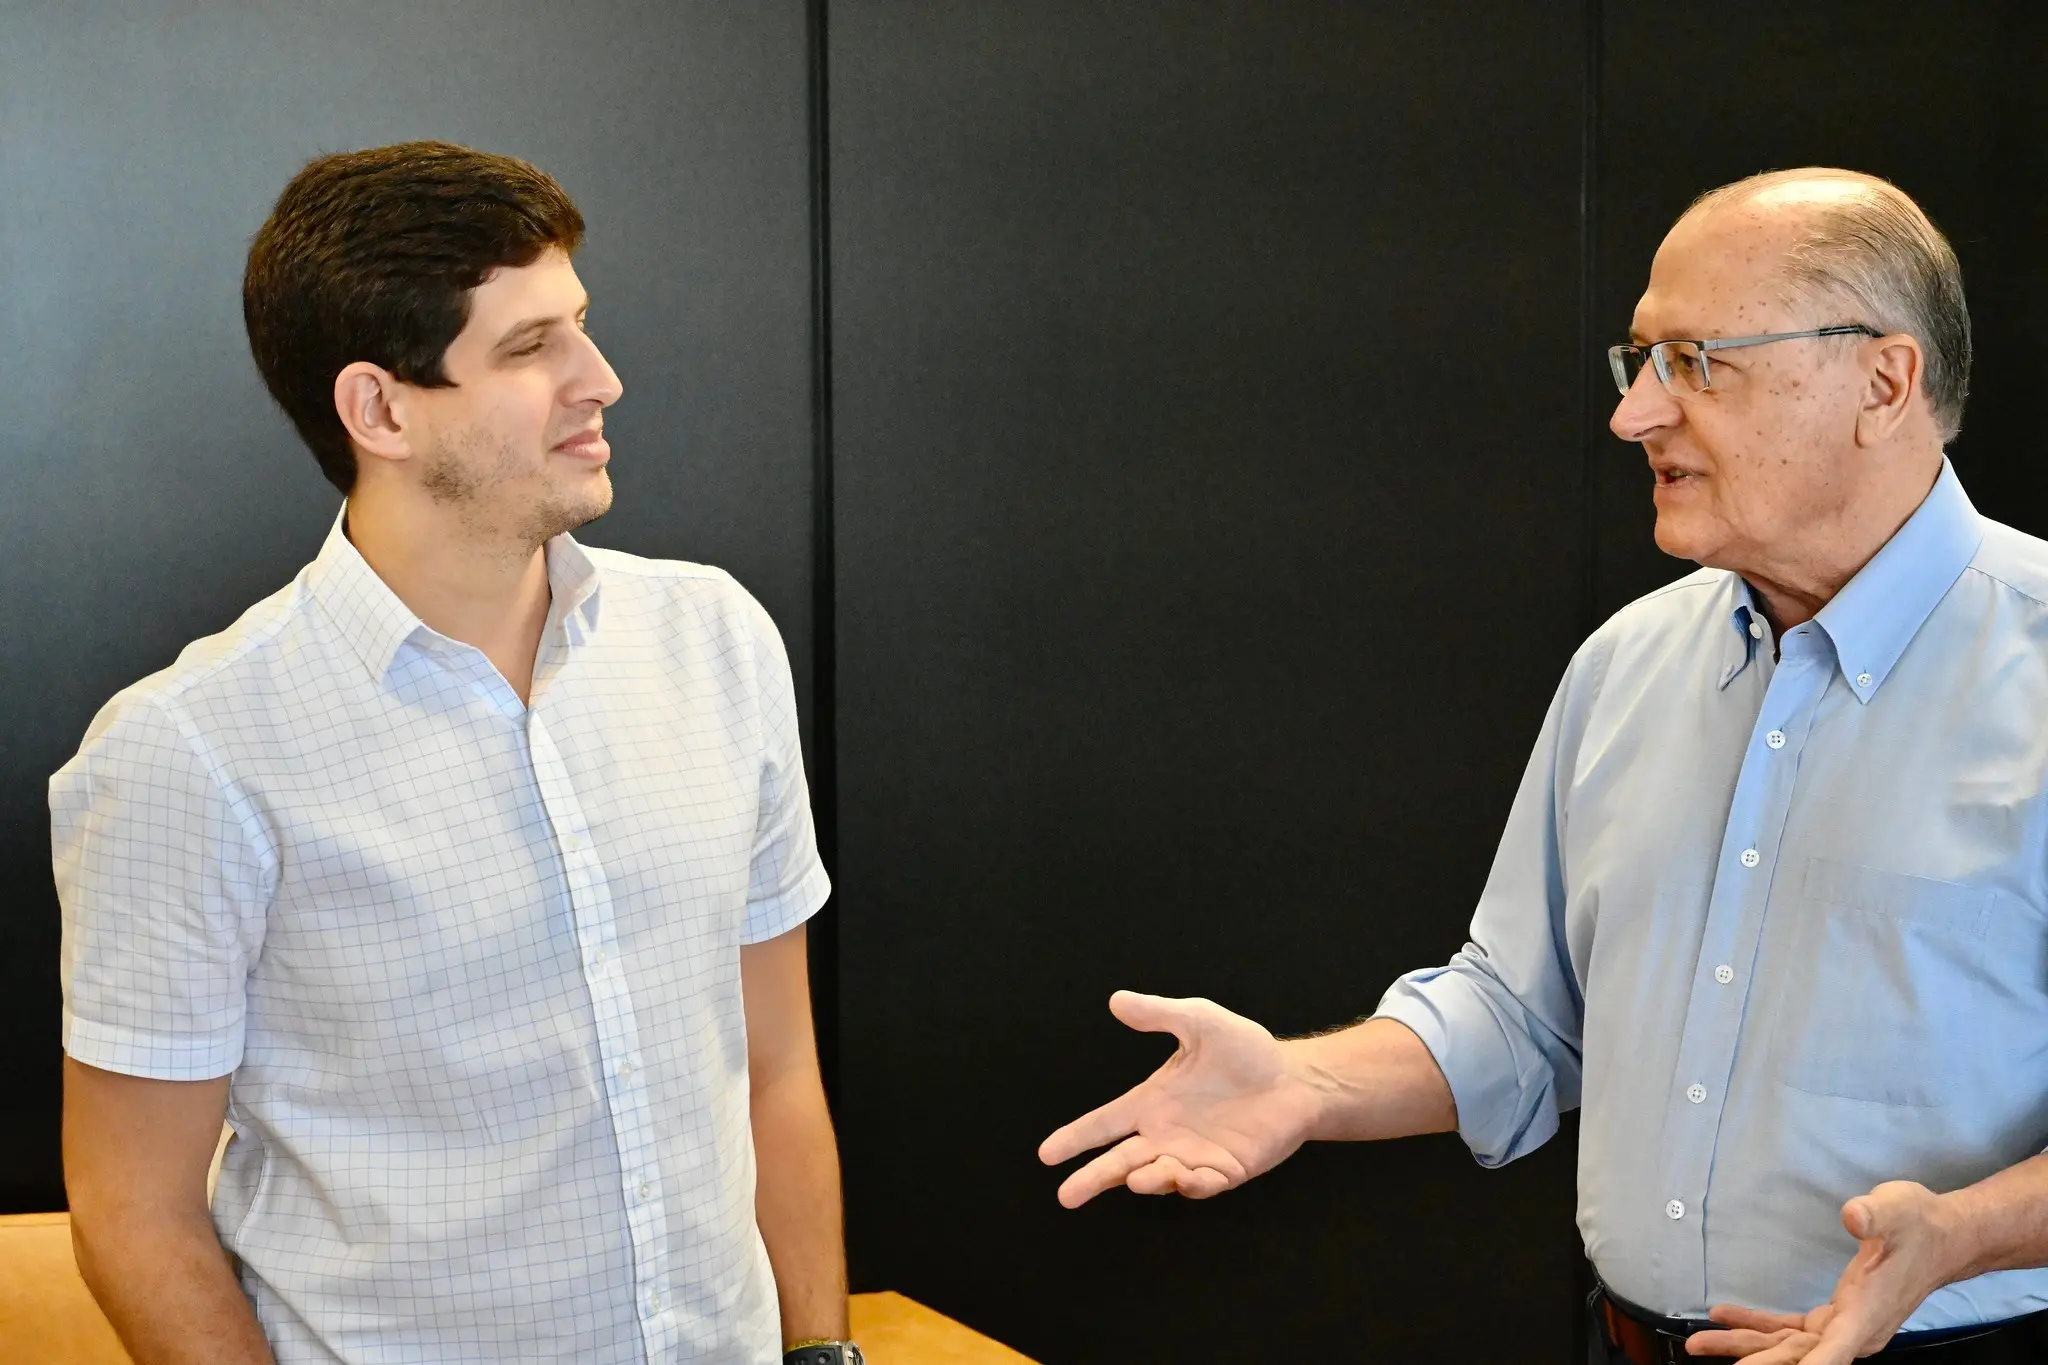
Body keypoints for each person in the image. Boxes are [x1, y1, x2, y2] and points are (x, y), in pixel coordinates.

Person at [1042, 168, 2048, 1365]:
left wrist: (1962, 1235)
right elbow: (1520, 1013)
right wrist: (1304, 1087)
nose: (1635, 416)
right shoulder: (1627, 663)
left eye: (1695, 363)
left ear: (1880, 382)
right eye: (1640, 363)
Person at [54, 142, 862, 1365]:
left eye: (579, 324)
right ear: (378, 409)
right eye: (531, 348)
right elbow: (134, 1209)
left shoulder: (714, 640)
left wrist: (819, 1352)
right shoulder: (189, 754)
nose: (601, 380)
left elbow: (774, 1069)